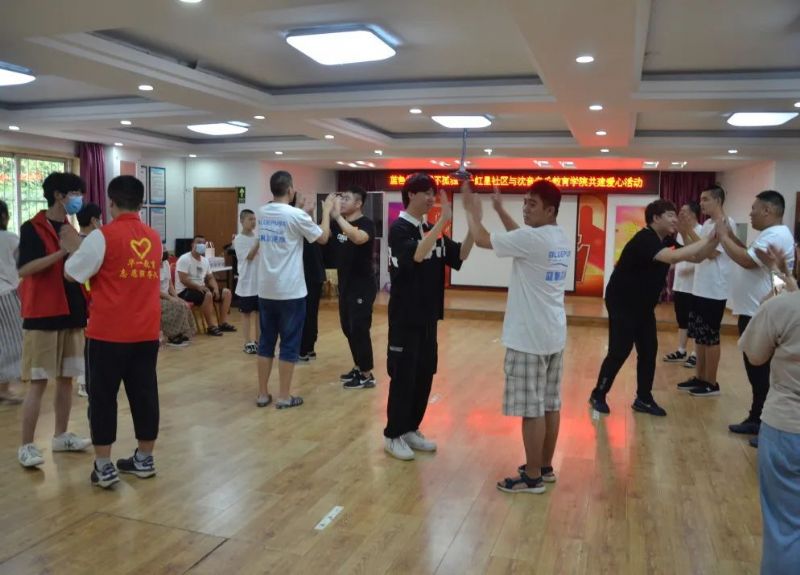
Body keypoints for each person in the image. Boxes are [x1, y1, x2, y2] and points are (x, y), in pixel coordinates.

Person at [463, 181, 570, 494]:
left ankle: (532, 477)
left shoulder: (533, 239)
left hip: (528, 338)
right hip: (553, 334)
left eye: (532, 204)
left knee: (531, 410)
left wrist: (471, 212)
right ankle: (545, 468)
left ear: (550, 210)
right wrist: (499, 210)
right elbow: (520, 239)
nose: (525, 208)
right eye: (524, 202)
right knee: (549, 404)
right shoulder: (558, 236)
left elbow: (482, 239)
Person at [64, 175, 162, 489]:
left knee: (103, 398)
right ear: (141, 203)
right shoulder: (154, 238)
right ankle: (144, 459)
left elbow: (72, 273)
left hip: (108, 335)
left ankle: (104, 466)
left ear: (111, 202)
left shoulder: (101, 237)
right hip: (146, 333)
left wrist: (73, 248)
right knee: (145, 395)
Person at [589, 199, 720, 417]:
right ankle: (598, 394)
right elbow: (673, 257)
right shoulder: (646, 238)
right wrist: (708, 238)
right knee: (620, 350)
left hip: (643, 305)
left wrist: (716, 240)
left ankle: (643, 398)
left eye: (675, 215)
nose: (675, 219)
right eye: (670, 215)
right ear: (656, 218)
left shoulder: (665, 240)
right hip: (622, 303)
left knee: (649, 350)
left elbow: (696, 257)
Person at [383, 173, 474, 460]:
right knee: (403, 377)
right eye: (427, 193)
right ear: (411, 194)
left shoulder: (428, 228)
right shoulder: (399, 229)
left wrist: (474, 223)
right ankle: (393, 434)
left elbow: (460, 255)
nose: (432, 198)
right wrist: (442, 221)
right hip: (404, 318)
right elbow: (418, 255)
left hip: (428, 318)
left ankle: (411, 428)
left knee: (423, 375)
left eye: (434, 193)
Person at [16, 172, 91, 468]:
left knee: (66, 379)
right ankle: (26, 445)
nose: (78, 199)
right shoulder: (32, 228)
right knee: (38, 382)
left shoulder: (71, 228)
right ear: (59, 195)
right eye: (75, 193)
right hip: (43, 314)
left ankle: (61, 436)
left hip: (72, 311)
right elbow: (25, 269)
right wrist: (62, 252)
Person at [738, 246, 800, 573]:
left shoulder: (783, 307)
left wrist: (767, 305)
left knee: (785, 528)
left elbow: (755, 354)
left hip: (787, 426)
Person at [716, 190, 795, 438]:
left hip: (760, 313)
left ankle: (764, 425)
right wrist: (730, 237)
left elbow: (746, 260)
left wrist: (722, 237)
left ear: (767, 210)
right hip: (756, 310)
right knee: (757, 372)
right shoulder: (773, 233)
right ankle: (757, 418)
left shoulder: (775, 235)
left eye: (754, 209)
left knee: (760, 372)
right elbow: (750, 254)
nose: (750, 214)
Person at [255, 171, 331, 408]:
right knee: (289, 344)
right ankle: (284, 396)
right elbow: (323, 238)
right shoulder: (296, 215)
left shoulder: (262, 212)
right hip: (290, 291)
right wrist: (328, 211)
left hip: (266, 290)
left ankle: (262, 394)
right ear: (290, 190)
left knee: (266, 342)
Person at [676, 186, 736, 397]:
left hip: (714, 290)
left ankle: (711, 383)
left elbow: (708, 253)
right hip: (699, 288)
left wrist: (689, 231)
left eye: (706, 199)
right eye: (701, 199)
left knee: (710, 338)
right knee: (699, 337)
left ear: (718, 200)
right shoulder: (709, 224)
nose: (701, 203)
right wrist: (684, 231)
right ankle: (700, 378)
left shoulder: (725, 224)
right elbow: (695, 251)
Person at [318, 186, 378, 389]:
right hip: (345, 284)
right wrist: (327, 212)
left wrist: (337, 217)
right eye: (341, 198)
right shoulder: (337, 224)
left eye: (347, 198)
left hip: (362, 285)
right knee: (348, 328)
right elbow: (323, 237)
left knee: (359, 328)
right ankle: (359, 366)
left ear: (358, 203)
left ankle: (367, 375)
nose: (342, 201)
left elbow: (358, 238)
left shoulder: (367, 223)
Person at [662, 202, 702, 368]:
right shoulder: (679, 233)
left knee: (695, 321)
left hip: (695, 286)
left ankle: (695, 354)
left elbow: (701, 258)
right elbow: (678, 256)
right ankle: (681, 350)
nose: (680, 214)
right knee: (682, 319)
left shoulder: (701, 231)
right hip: (680, 284)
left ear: (693, 214)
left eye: (684, 211)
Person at [174, 235, 236, 336]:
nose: (201, 245)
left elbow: (210, 278)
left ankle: (222, 323)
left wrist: (215, 288)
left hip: (201, 289)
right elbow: (183, 279)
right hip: (185, 291)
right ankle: (211, 326)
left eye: (203, 243)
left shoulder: (205, 261)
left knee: (226, 293)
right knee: (208, 294)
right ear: (192, 244)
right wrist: (198, 287)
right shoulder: (184, 259)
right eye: (198, 242)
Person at [74, 202, 102, 397]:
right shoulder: (89, 244)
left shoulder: (76, 241)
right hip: (87, 299)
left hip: (85, 298)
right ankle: (84, 381)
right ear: (93, 221)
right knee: (87, 343)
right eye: (100, 219)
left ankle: (87, 380)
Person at [296, 195, 326, 363]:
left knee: (307, 314)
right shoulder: (303, 225)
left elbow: (324, 236)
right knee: (309, 314)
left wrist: (326, 212)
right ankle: (308, 349)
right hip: (311, 275)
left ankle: (304, 349)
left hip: (310, 276)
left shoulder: (308, 227)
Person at [0, 199, 23, 405]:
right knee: (11, 342)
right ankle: (4, 389)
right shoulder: (9, 238)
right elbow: (22, 264)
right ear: (4, 217)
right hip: (5, 294)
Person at [233, 209, 260, 354]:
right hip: (247, 283)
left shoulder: (256, 237)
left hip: (259, 283)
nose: (253, 222)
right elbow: (249, 256)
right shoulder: (239, 239)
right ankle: (247, 342)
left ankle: (259, 341)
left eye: (254, 219)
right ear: (242, 221)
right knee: (246, 313)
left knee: (259, 314)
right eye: (250, 219)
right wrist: (259, 242)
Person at [159, 250, 195, 347]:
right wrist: (170, 298)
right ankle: (173, 336)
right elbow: (154, 290)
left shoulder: (166, 264)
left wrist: (176, 297)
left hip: (167, 296)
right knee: (176, 306)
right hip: (157, 298)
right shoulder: (151, 267)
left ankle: (184, 333)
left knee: (183, 304)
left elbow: (170, 284)